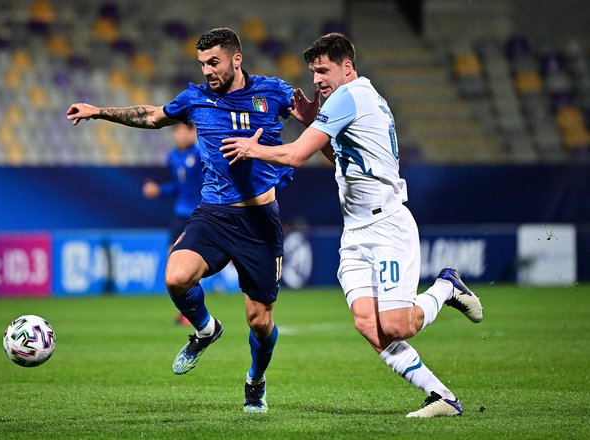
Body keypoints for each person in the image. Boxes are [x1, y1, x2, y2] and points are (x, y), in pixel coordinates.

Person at [221, 33, 484, 418]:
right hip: (356, 230)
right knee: (368, 325)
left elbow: (295, 155)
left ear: (347, 67)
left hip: (387, 224)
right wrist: (314, 120)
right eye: (313, 73)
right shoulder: (358, 99)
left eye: (323, 70)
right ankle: (441, 397)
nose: (317, 81)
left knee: (396, 325)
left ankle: (446, 286)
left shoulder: (351, 96)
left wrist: (252, 149)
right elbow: (342, 159)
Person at [66, 27, 295, 413]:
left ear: (236, 60)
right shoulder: (196, 98)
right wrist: (99, 112)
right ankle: (206, 330)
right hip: (214, 215)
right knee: (175, 276)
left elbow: (317, 126)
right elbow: (152, 116)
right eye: (202, 63)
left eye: (214, 62)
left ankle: (255, 381)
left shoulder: (274, 92)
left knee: (259, 321)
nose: (207, 70)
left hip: (260, 221)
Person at [142, 123, 202, 326]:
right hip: (180, 213)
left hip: (200, 213)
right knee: (173, 261)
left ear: (192, 132)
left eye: (184, 131)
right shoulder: (173, 157)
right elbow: (178, 185)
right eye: (176, 132)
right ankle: (184, 310)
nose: (180, 135)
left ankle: (191, 312)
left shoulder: (202, 153)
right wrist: (159, 190)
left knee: (191, 264)